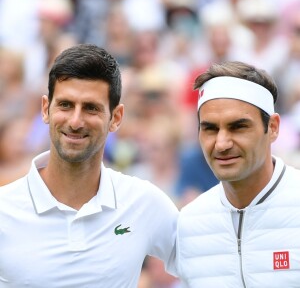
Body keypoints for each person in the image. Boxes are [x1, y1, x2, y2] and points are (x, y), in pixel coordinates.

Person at [0, 44, 178, 287]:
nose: (75, 121)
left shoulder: (144, 202)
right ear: (45, 109)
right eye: (65, 105)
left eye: (91, 108)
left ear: (116, 118)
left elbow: (209, 269)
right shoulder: (4, 209)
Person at [176, 61, 300, 287]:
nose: (221, 143)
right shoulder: (189, 222)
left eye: (238, 126)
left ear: (272, 128)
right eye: (210, 128)